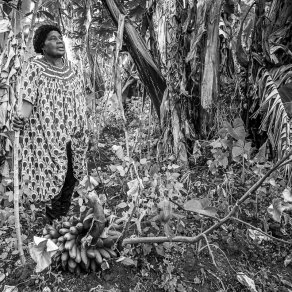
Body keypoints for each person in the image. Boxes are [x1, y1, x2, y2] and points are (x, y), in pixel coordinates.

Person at [13, 24, 89, 221]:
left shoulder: (73, 69)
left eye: (60, 37)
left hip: (75, 136)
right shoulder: (35, 69)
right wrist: (20, 118)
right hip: (48, 137)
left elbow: (80, 99)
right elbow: (28, 101)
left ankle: (62, 221)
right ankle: (53, 224)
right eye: (52, 38)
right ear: (42, 45)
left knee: (71, 178)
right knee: (54, 179)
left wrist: (84, 126)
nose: (59, 41)